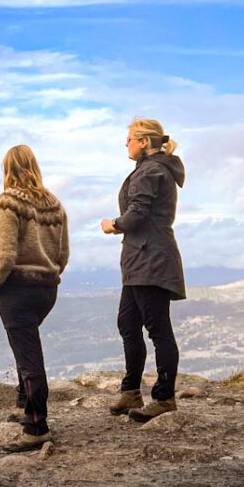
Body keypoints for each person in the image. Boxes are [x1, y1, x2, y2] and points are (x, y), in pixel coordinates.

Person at [100, 117, 186, 423]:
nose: (127, 144)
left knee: (158, 329)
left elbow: (136, 214)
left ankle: (163, 398)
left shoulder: (150, 170)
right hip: (142, 258)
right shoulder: (152, 168)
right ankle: (131, 391)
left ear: (145, 142)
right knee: (128, 323)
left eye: (130, 139)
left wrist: (114, 225)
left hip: (150, 258)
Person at [0, 145, 69, 452]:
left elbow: (5, 253)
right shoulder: (55, 204)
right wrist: (49, 273)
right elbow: (63, 255)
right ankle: (24, 406)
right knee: (27, 346)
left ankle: (36, 426)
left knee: (28, 357)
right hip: (47, 289)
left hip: (17, 287)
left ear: (8, 169)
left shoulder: (8, 201)